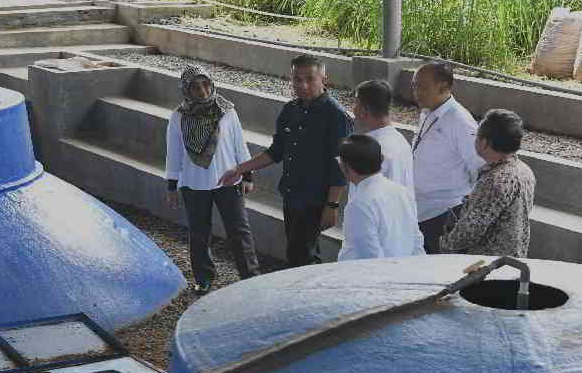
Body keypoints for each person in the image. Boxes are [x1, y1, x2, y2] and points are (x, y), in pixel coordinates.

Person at [220, 54, 352, 267]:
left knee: (304, 255)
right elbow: (276, 152)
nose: (303, 85)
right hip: (292, 194)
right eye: (297, 79)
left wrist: (332, 205)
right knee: (298, 250)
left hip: (315, 198)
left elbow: (339, 166)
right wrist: (239, 169)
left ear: (324, 79)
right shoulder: (290, 110)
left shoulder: (335, 115)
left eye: (310, 79)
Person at [165, 66, 260, 292]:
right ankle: (203, 278)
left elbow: (239, 144)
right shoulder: (178, 117)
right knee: (199, 233)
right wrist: (171, 186)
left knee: (239, 231)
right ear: (186, 89)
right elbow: (174, 153)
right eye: (195, 87)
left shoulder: (227, 111)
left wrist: (247, 175)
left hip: (228, 180)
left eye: (206, 84)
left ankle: (251, 278)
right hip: (194, 183)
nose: (203, 91)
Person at [411, 61, 484, 253]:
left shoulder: (460, 120)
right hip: (420, 208)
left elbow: (479, 167)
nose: (416, 92)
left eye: (422, 87)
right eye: (414, 85)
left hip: (443, 212)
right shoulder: (428, 111)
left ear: (443, 87)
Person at [441, 109, 535, 258]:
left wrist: (444, 244)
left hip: (487, 263)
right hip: (512, 259)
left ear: (484, 143)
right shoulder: (525, 170)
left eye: (476, 135)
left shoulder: (496, 181)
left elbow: (469, 231)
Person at [336, 135, 425, 261]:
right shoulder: (402, 192)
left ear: (345, 167)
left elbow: (371, 257)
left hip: (366, 272)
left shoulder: (359, 205)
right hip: (402, 268)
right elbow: (417, 241)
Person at [353, 79, 414, 194]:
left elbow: (363, 198)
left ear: (364, 110)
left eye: (356, 103)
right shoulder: (402, 141)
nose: (354, 109)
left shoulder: (368, 151)